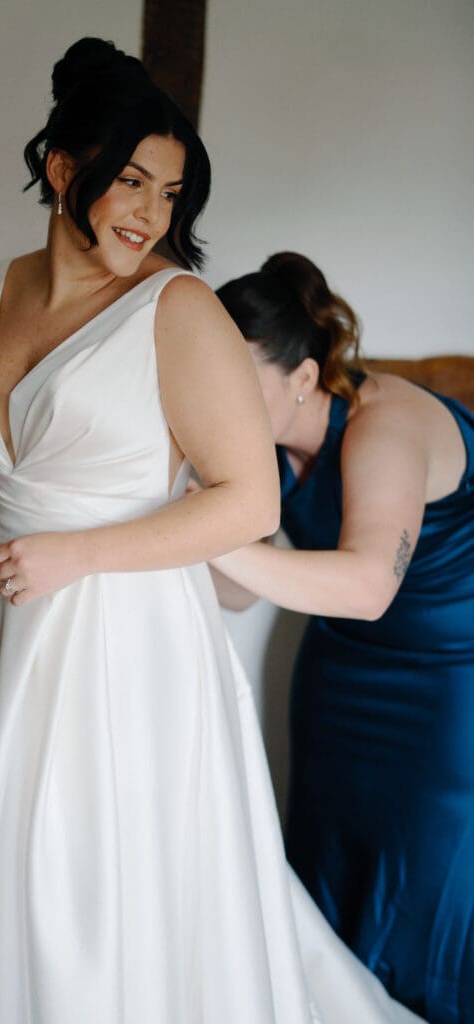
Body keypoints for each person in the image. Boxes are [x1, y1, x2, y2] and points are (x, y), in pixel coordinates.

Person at [0, 41, 424, 1024]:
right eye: (131, 180)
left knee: (94, 884)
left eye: (171, 194)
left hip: (116, 629)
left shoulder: (175, 310)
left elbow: (248, 503)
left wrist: (75, 554)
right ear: (63, 168)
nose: (149, 213)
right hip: (3, 616)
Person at [210, 251, 474, 1024]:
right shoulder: (259, 444)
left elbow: (364, 586)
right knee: (328, 868)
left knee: (429, 891)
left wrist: (195, 535)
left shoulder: (382, 423)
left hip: (447, 690)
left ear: (303, 375)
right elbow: (236, 592)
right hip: (337, 678)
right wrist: (191, 508)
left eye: (236, 381)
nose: (215, 402)